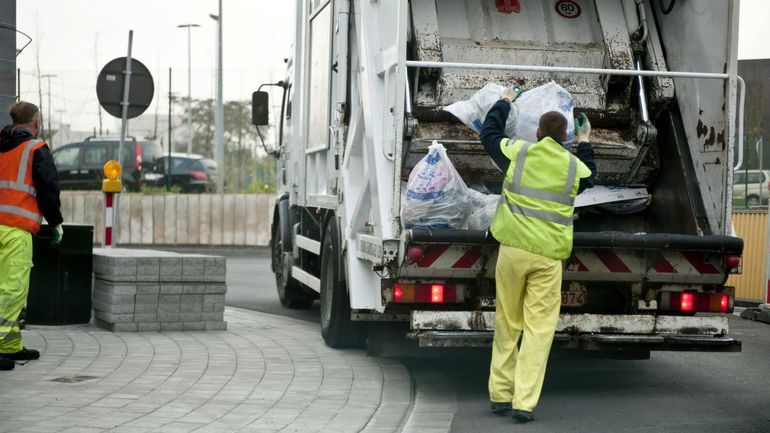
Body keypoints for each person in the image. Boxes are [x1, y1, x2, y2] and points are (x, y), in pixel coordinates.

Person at [479, 86, 596, 422]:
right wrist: (585, 140)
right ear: (565, 138)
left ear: (538, 133)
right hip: (547, 257)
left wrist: (505, 100)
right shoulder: (573, 167)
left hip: (513, 251)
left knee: (507, 323)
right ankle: (524, 403)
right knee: (538, 331)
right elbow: (591, 174)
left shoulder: (519, 153)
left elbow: (489, 134)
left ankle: (500, 394)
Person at [0, 101, 63, 371]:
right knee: (12, 291)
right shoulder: (36, 149)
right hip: (16, 231)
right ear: (36, 122)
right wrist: (56, 222)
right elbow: (48, 189)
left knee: (5, 290)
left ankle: (9, 346)